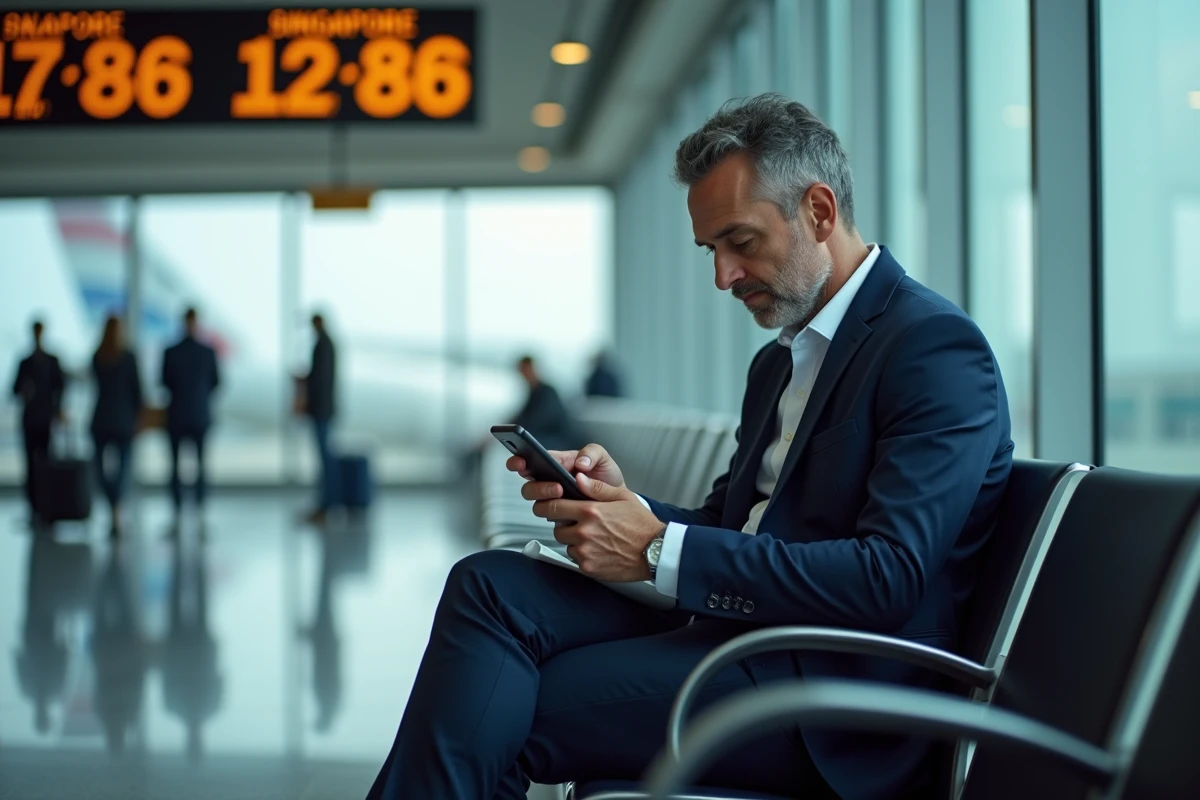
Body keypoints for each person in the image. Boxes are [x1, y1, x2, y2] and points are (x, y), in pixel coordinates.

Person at [367, 94, 1014, 800]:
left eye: (741, 242)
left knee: (505, 711)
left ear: (819, 213)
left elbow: (887, 578)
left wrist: (652, 548)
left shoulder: (932, 347)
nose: (723, 276)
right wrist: (624, 507)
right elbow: (729, 529)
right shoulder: (779, 364)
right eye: (712, 250)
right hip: (746, 625)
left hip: (827, 692)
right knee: (489, 585)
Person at [161, 308, 220, 524]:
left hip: (178, 415)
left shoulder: (171, 351)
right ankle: (199, 512)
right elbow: (216, 382)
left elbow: (164, 381)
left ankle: (180, 513)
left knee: (178, 466)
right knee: (198, 465)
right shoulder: (207, 352)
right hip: (199, 415)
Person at [90, 315, 144, 536]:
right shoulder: (128, 358)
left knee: (102, 471)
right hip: (122, 421)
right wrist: (138, 419)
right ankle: (116, 508)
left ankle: (113, 506)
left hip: (103, 419)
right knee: (121, 470)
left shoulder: (98, 357)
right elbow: (137, 392)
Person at [10, 320, 66, 525]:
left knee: (47, 463)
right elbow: (14, 390)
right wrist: (24, 391)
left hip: (46, 419)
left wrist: (58, 410)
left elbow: (61, 387)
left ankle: (47, 506)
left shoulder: (52, 361)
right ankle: (33, 508)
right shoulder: (25, 362)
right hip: (30, 419)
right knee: (30, 466)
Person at [300, 314, 338, 525]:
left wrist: (305, 382)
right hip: (325, 410)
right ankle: (325, 505)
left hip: (321, 410)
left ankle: (326, 506)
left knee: (325, 461)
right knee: (325, 460)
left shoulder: (322, 345)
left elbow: (319, 380)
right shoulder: (328, 344)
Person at [512, 355, 574, 451]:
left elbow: (539, 420)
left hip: (557, 439)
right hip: (544, 437)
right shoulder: (533, 392)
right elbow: (522, 416)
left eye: (526, 370)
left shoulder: (548, 392)